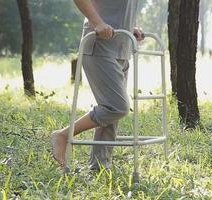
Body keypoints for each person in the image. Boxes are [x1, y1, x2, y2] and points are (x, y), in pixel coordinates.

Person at [51, 0, 143, 170]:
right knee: (116, 107)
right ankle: (63, 135)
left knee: (110, 112)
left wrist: (133, 26)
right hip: (99, 44)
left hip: (123, 46)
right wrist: (98, 23)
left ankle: (99, 166)